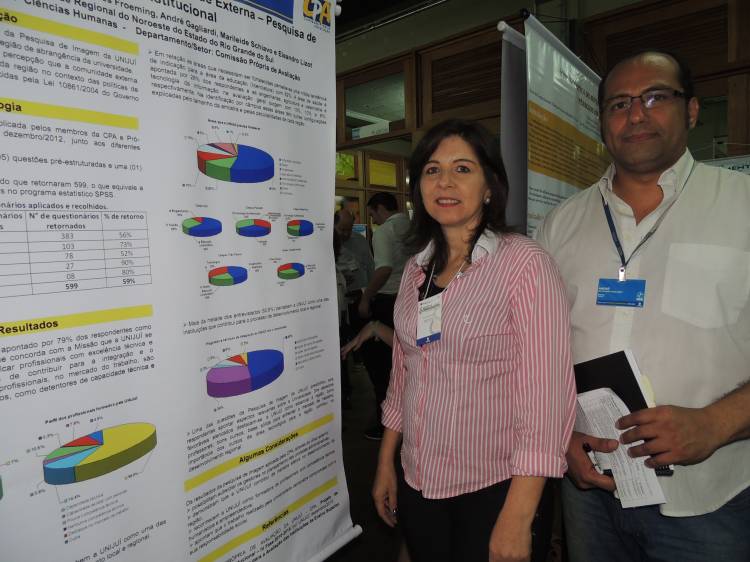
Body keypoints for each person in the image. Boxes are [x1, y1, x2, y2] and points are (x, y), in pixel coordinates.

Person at [535, 50, 750, 561]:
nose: (635, 115)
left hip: (709, 499)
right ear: (602, 123)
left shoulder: (741, 205)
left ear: (691, 111)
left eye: (655, 97)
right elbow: (537, 354)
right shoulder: (560, 225)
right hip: (590, 490)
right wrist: (559, 435)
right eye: (619, 104)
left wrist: (716, 423)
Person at [374, 119, 576, 562]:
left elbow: (547, 398)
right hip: (418, 480)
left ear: (489, 187)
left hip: (495, 488)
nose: (444, 182)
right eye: (432, 170)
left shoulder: (525, 265)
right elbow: (403, 373)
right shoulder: (415, 271)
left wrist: (519, 516)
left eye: (462, 169)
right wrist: (387, 460)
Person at [359, 192, 410, 440]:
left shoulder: (383, 232)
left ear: (380, 208)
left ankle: (386, 422)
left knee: (381, 366)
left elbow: (384, 269)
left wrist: (366, 297)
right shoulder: (412, 226)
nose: (373, 220)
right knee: (406, 361)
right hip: (411, 299)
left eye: (373, 215)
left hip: (388, 301)